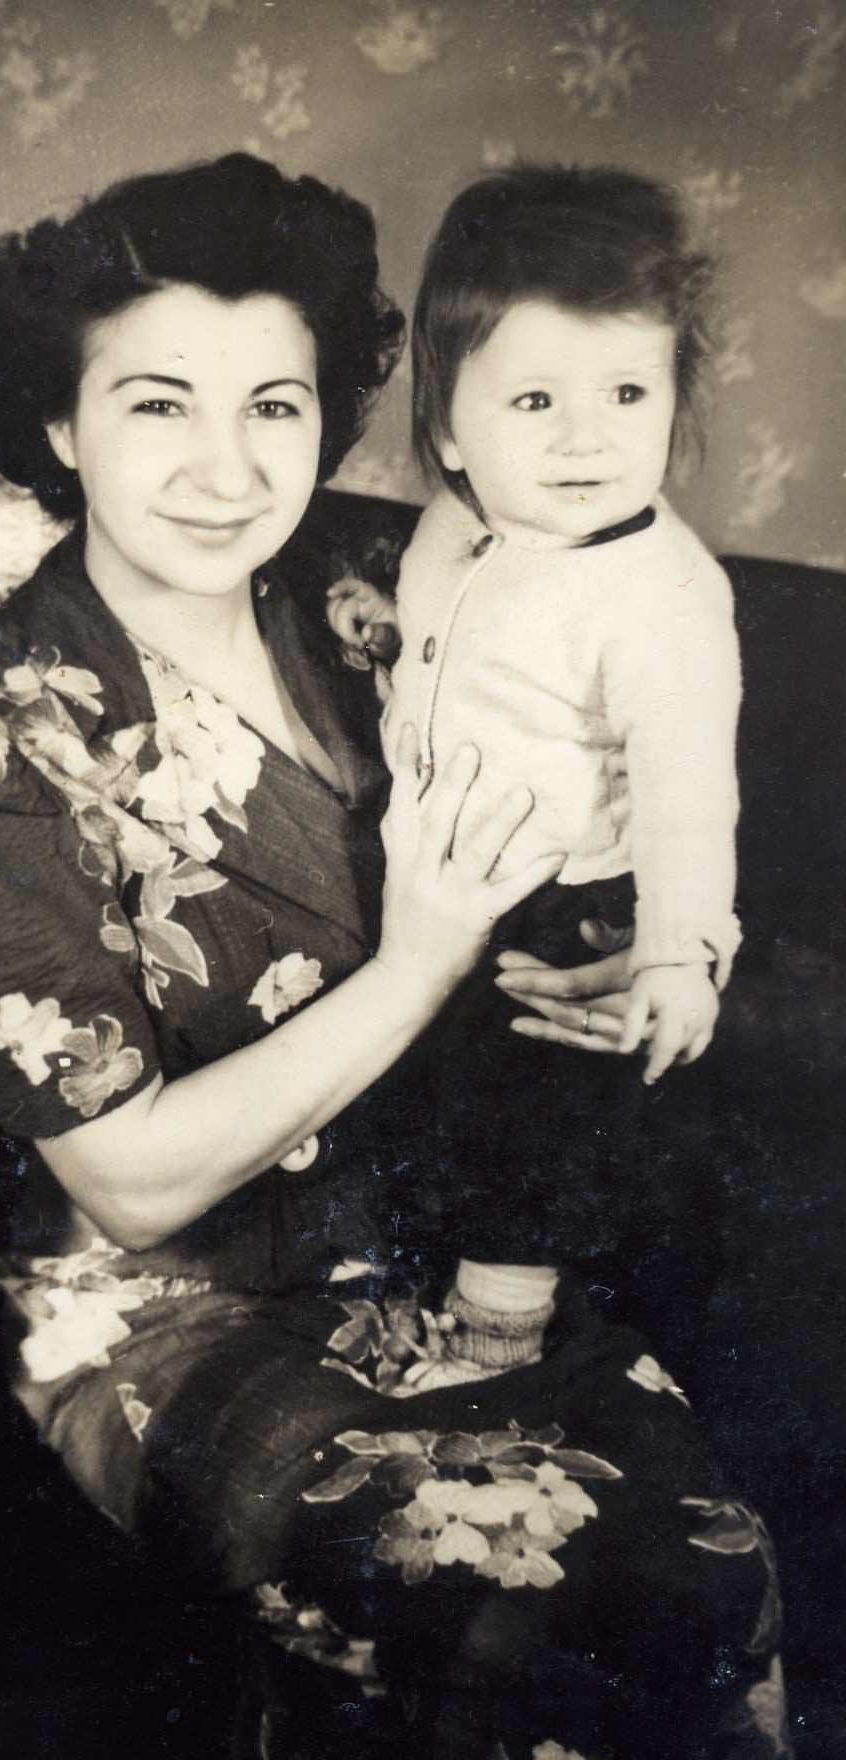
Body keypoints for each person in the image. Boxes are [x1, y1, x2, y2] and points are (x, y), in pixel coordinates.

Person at [0, 155, 787, 1759]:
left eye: (275, 407)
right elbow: (131, 1184)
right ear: (62, 424)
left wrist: (626, 949)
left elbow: (638, 667)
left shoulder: (385, 594)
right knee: (520, 1600)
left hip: (460, 1229)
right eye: (158, 404)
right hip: (171, 1309)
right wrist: (423, 960)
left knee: (713, 1577)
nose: (226, 469)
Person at [329, 163, 743, 1378]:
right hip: (431, 862)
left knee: (529, 1116)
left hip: (560, 902)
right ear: (450, 429)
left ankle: (499, 1338)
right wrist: (387, 632)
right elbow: (463, 644)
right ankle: (402, 1280)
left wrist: (678, 949)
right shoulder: (459, 520)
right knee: (417, 1094)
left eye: (628, 390)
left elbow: (687, 796)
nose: (586, 436)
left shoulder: (662, 599)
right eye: (534, 399)